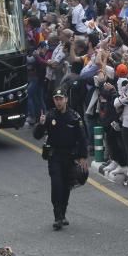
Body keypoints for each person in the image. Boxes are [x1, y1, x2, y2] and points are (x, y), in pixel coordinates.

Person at [32, 88, 88, 230]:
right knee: (56, 185)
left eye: (60, 98)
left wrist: (82, 157)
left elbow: (82, 138)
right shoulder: (50, 116)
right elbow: (37, 136)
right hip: (55, 156)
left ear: (66, 99)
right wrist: (41, 123)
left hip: (70, 156)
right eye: (56, 99)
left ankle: (63, 214)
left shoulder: (74, 117)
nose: (58, 101)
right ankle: (57, 216)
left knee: (66, 186)